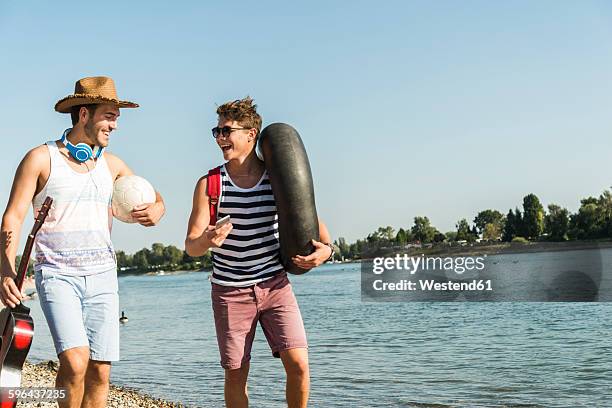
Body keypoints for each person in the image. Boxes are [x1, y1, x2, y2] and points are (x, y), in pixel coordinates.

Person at [0, 76, 165, 408]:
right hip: (57, 275)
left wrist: (157, 210)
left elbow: (156, 197)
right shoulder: (40, 158)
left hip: (103, 277)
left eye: (117, 117)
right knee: (75, 363)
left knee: (100, 372)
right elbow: (12, 218)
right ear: (85, 114)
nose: (115, 125)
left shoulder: (112, 164)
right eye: (109, 115)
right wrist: (4, 270)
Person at [185, 97, 332, 408]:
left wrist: (326, 253)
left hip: (275, 285)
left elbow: (320, 232)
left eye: (227, 131)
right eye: (217, 131)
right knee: (237, 375)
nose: (220, 138)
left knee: (299, 366)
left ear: (251, 134)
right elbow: (191, 245)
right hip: (229, 292)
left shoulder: (276, 178)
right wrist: (208, 239)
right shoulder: (211, 184)